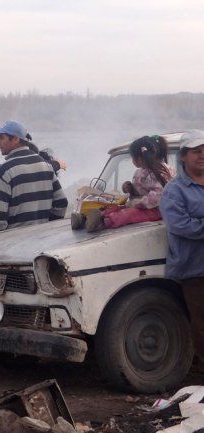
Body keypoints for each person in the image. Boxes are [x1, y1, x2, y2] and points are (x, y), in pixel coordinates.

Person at [160, 130, 204, 362]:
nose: (202, 155)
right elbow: (180, 225)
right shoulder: (174, 191)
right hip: (194, 269)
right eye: (197, 151)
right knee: (201, 324)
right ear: (184, 156)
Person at [81, 135, 174, 232]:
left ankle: (103, 223)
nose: (133, 161)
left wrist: (139, 203)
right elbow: (141, 191)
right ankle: (86, 219)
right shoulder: (141, 171)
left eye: (133, 158)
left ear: (140, 159)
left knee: (128, 214)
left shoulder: (161, 172)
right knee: (116, 208)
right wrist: (130, 189)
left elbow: (158, 196)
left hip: (156, 210)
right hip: (142, 206)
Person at [0, 120, 68, 231]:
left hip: (14, 241)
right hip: (42, 239)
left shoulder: (5, 170)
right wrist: (48, 227)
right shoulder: (46, 165)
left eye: (2, 138)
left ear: (16, 139)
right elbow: (62, 203)